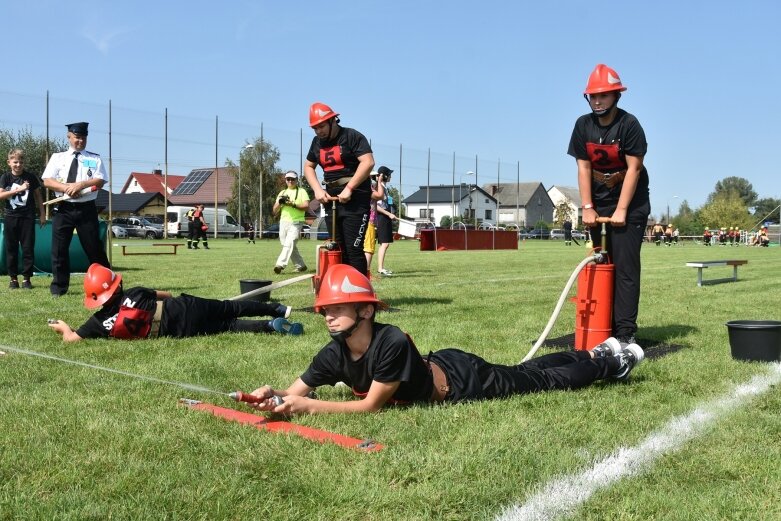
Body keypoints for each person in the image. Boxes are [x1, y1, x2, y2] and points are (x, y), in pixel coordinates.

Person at [242, 265, 644, 415]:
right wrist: (273, 394)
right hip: (444, 364)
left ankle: (611, 363)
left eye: (338, 307)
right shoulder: (334, 353)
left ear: (366, 310)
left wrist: (306, 407)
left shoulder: (392, 341)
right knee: (525, 371)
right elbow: (295, 390)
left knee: (538, 381)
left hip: (463, 381)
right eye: (325, 309)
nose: (328, 314)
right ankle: (592, 352)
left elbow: (368, 408)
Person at [568, 64, 651, 345]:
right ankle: (602, 324)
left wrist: (622, 211)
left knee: (626, 268)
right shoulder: (583, 125)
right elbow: (583, 169)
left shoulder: (629, 125)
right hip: (599, 203)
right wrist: (587, 207)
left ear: (616, 96)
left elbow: (634, 169)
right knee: (602, 263)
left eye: (604, 95)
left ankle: (625, 332)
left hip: (631, 202)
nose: (598, 101)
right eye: (593, 96)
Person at [47, 263, 304, 342]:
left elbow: (73, 339)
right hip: (183, 308)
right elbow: (166, 295)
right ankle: (276, 308)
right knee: (230, 306)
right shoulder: (135, 292)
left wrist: (64, 328)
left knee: (229, 325)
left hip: (178, 330)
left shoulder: (98, 322)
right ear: (117, 286)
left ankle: (270, 326)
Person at [304, 102, 375, 275]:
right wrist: (317, 190)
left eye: (321, 126)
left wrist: (350, 188)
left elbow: (368, 162)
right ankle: (342, 291)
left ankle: (359, 295)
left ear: (333, 120)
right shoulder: (316, 142)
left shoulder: (352, 136)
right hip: (331, 200)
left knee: (353, 249)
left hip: (356, 198)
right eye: (315, 128)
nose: (318, 131)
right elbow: (308, 167)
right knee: (336, 247)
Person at [41, 122, 110, 296]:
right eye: (77, 137)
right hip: (63, 208)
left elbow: (100, 180)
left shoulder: (94, 158)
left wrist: (81, 185)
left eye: (83, 138)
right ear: (69, 137)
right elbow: (47, 180)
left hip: (86, 209)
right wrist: (66, 188)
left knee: (94, 248)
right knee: (59, 249)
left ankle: (107, 284)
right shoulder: (58, 158)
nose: (80, 141)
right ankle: (58, 288)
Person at [1, 149, 46, 289]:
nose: (18, 164)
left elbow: (38, 196)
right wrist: (18, 190)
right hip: (10, 217)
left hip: (27, 217)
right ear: (9, 163)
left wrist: (43, 214)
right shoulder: (5, 178)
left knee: (27, 248)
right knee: (11, 248)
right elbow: (1, 196)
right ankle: (13, 279)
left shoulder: (31, 177)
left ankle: (27, 278)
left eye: (21, 162)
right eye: (15, 162)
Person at [272, 171, 310, 274]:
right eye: (288, 179)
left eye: (292, 179)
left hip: (297, 222)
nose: (290, 181)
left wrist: (293, 204)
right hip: (284, 222)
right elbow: (274, 210)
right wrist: (280, 203)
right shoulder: (282, 193)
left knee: (289, 243)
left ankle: (280, 264)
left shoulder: (302, 191)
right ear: (285, 180)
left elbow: (306, 206)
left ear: (296, 180)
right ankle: (301, 266)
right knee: (288, 245)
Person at [374, 166, 397, 276]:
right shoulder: (379, 187)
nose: (391, 176)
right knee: (384, 243)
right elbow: (377, 207)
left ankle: (381, 267)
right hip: (381, 217)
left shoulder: (384, 187)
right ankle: (380, 268)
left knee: (385, 244)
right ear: (384, 176)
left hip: (386, 217)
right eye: (389, 174)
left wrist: (392, 213)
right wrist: (389, 214)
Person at [363, 171, 385, 270]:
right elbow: (380, 195)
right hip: (369, 220)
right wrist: (379, 182)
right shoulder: (367, 188)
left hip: (362, 220)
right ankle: (366, 272)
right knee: (369, 247)